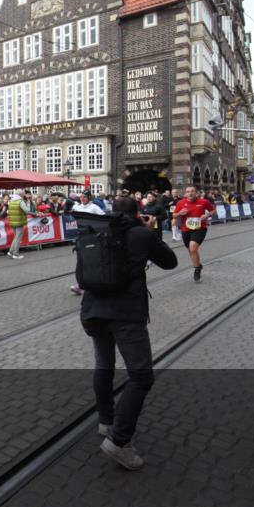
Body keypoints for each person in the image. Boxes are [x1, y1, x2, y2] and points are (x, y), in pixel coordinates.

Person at [80, 196, 177, 470]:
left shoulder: (97, 231)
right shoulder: (140, 234)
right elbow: (170, 261)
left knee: (103, 364)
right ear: (138, 213)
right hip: (126, 315)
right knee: (141, 376)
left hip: (94, 310)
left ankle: (106, 421)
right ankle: (119, 440)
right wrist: (151, 230)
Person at [172, 186, 216, 282]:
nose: (190, 193)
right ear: (185, 193)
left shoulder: (204, 202)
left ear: (196, 193)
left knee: (193, 248)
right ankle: (198, 265)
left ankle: (197, 269)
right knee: (191, 251)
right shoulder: (180, 203)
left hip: (200, 228)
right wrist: (180, 213)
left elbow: (213, 210)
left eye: (192, 191)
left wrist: (207, 215)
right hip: (186, 229)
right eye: (188, 192)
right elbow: (174, 215)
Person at [69, 192, 106, 295]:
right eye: (81, 197)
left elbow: (103, 217)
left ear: (89, 198)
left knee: (91, 260)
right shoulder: (77, 207)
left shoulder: (94, 207)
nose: (82, 198)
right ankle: (80, 284)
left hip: (92, 236)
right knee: (80, 260)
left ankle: (91, 283)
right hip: (81, 236)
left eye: (84, 197)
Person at [6, 190, 35, 259]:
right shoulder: (20, 201)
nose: (24, 195)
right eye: (23, 194)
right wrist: (28, 204)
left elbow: (8, 211)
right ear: (21, 194)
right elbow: (27, 210)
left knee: (16, 237)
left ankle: (11, 251)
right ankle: (15, 253)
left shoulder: (11, 201)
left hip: (12, 221)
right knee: (18, 238)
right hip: (19, 221)